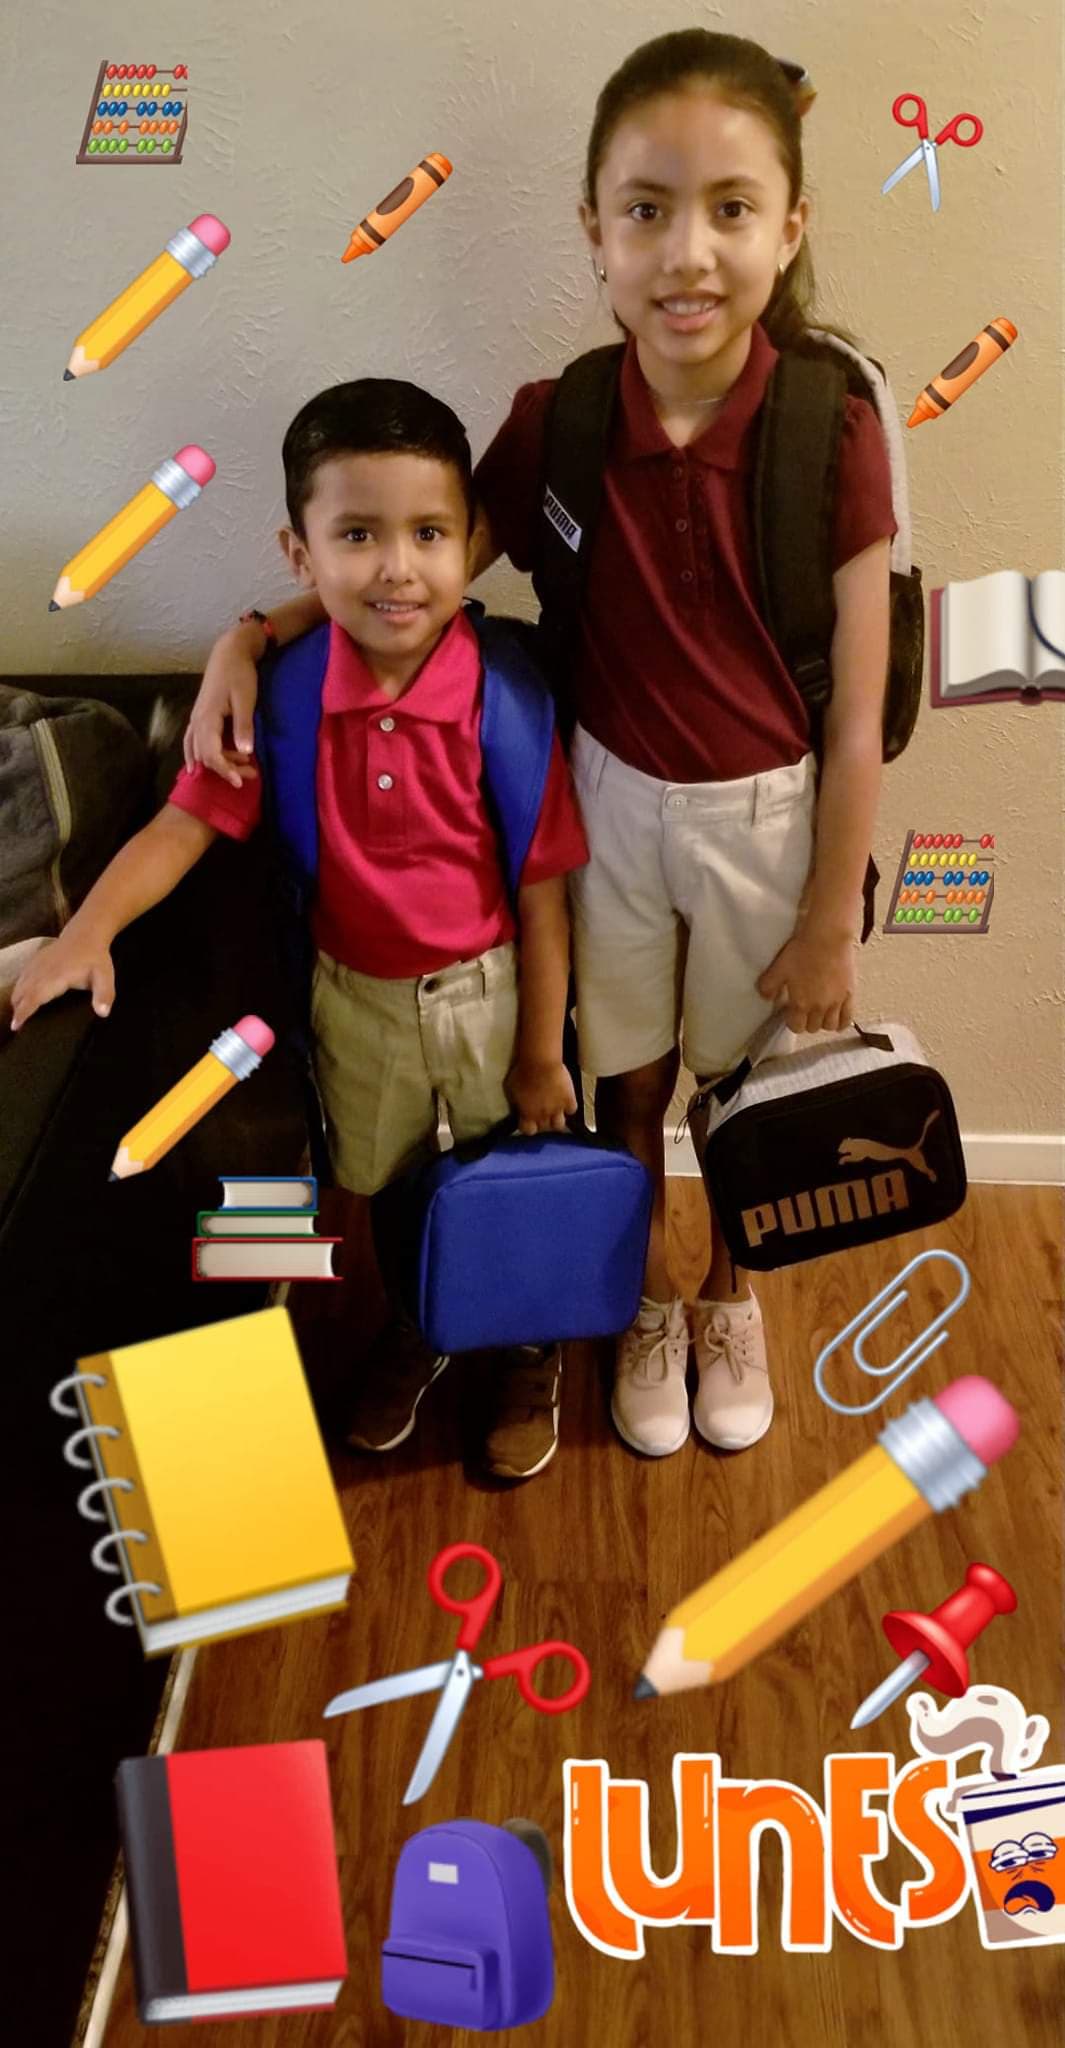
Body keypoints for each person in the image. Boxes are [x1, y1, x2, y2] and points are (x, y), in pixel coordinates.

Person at [176, 30, 896, 1464]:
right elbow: (414, 578)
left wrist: (830, 915)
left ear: (790, 226)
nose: (687, 252)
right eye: (646, 209)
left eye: (731, 208)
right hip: (606, 804)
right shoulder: (557, 421)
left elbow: (860, 707)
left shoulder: (835, 425)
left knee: (739, 1088)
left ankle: (726, 1293)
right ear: (594, 231)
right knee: (626, 1083)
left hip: (769, 815)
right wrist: (247, 636)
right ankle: (632, 1299)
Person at [11, 378, 590, 1483]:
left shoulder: (504, 699)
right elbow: (184, 824)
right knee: (394, 1187)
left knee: (510, 1171)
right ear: (298, 550)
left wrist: (539, 1052)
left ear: (471, 540)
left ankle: (527, 1346)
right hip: (353, 1001)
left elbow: (544, 896)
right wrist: (88, 929)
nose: (396, 567)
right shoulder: (279, 699)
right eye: (357, 534)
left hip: (491, 997)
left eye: (428, 533)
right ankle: (420, 1322)